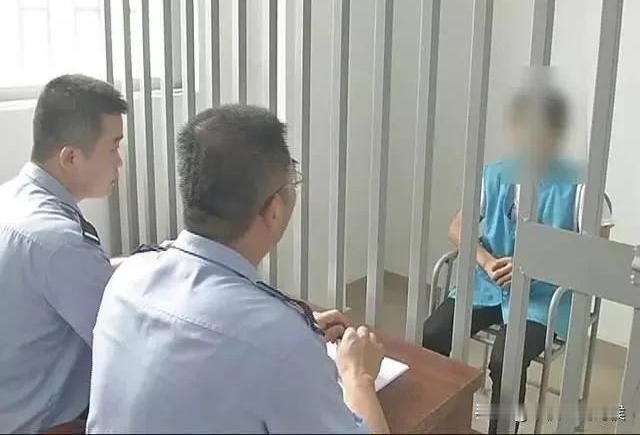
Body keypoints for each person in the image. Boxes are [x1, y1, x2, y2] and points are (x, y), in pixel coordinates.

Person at [87, 105, 390, 434]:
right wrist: (358, 377)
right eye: (292, 180)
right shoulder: (283, 343)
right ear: (274, 210)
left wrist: (289, 332)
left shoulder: (128, 276)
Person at [421, 91, 613, 434]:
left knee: (504, 360)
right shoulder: (496, 175)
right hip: (487, 285)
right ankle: (437, 421)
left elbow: (600, 253)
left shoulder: (581, 189)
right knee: (432, 333)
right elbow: (457, 226)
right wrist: (486, 261)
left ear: (555, 135)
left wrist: (536, 264)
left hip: (545, 297)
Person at [0, 75, 128, 433]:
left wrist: (136, 264)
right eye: (113, 148)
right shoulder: (59, 243)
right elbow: (126, 340)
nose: (119, 162)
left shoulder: (11, 199)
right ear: (70, 157)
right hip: (49, 425)